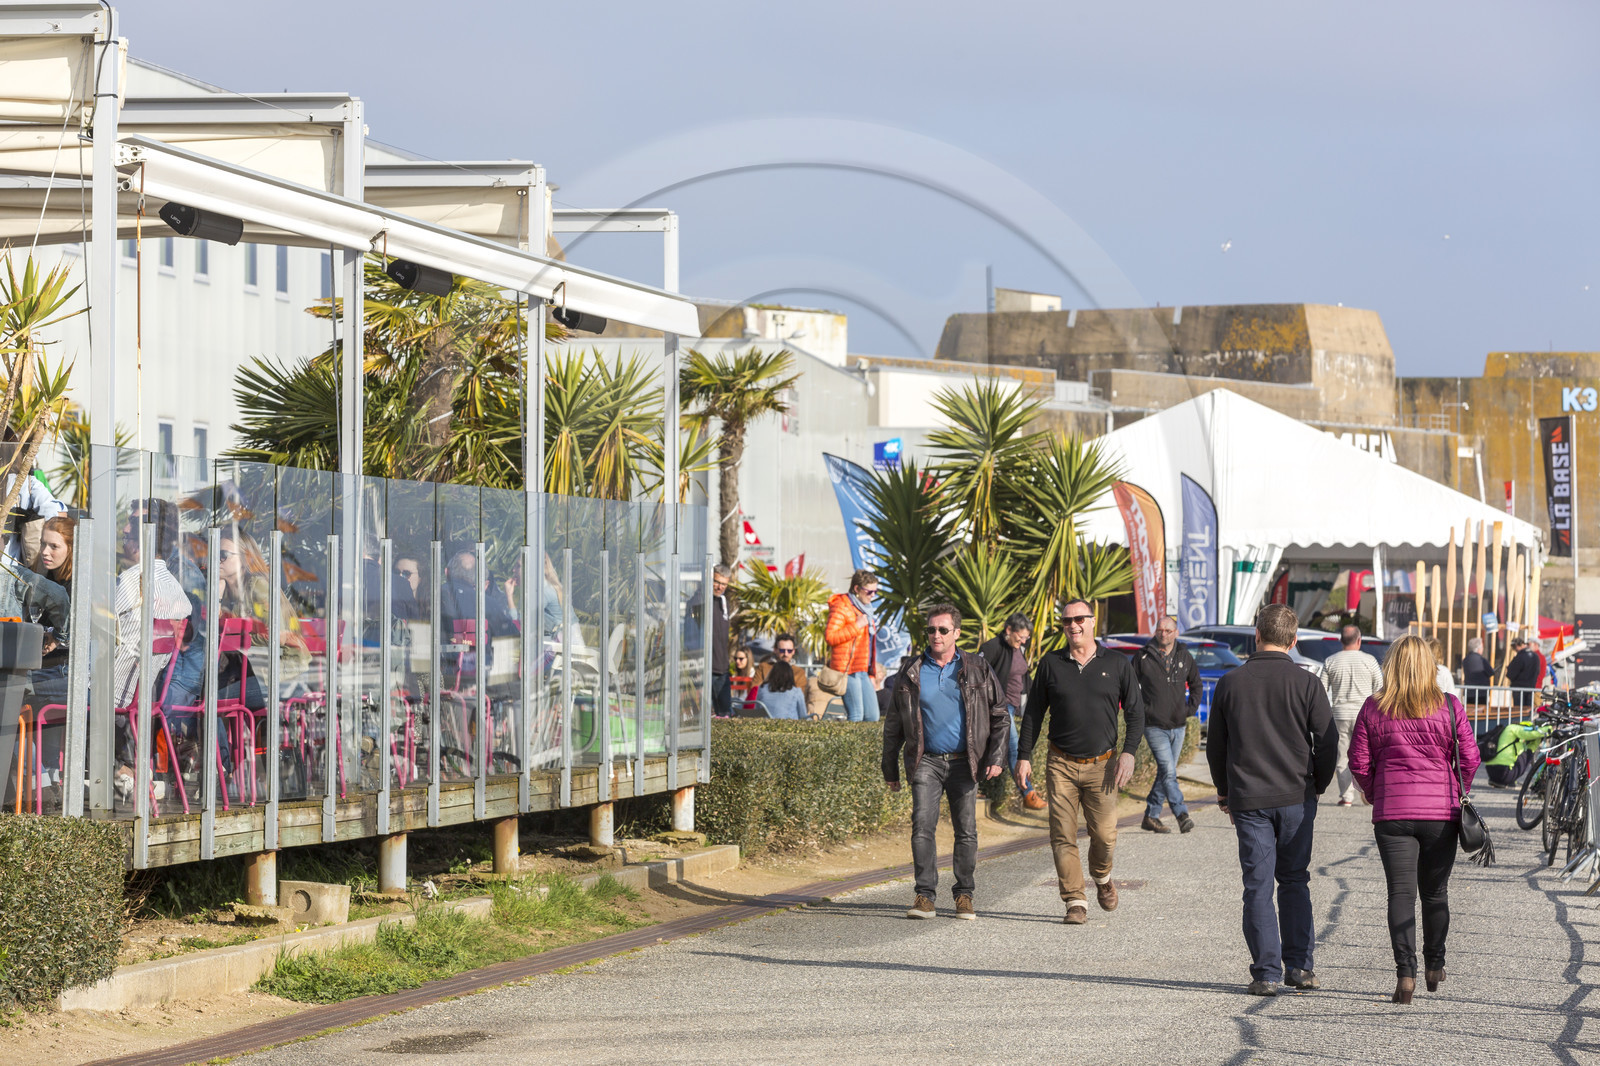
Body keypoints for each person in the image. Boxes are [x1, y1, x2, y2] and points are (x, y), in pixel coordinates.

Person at [1208, 603, 1338, 997]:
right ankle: (1298, 966)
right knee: (1295, 880)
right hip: (1297, 795)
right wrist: (1319, 781)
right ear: (1294, 640)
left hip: (1250, 798)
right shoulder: (1307, 683)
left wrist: (1224, 791)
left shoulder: (1231, 683)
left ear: (1256, 634)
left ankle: (1266, 971)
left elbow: (1217, 746)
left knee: (1258, 885)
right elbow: (1328, 739)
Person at [1348, 634, 1481, 1004]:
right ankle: (1435, 964)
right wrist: (1459, 790)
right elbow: (1470, 758)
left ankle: (1405, 976)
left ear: (1391, 665)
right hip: (1441, 812)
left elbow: (1358, 760)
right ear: (1430, 666)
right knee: (1435, 893)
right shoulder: (1450, 707)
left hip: (1392, 813)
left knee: (1401, 894)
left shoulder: (1374, 708)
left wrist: (1375, 791)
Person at [1016, 599, 1144, 924]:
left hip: (1103, 765)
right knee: (1062, 833)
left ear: (1092, 620)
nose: (1073, 626)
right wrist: (1024, 756)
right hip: (1060, 762)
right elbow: (1032, 714)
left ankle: (1102, 878)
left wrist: (1128, 752)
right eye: (1067, 621)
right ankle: (1075, 900)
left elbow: (1136, 712)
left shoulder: (1116, 663)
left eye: (1079, 619)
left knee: (1104, 835)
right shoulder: (1051, 663)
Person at [882, 603, 1007, 919]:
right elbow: (894, 721)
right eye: (931, 629)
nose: (935, 635)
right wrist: (890, 768)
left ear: (957, 633)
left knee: (966, 830)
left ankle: (964, 895)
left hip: (966, 761)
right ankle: (924, 897)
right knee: (922, 826)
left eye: (942, 629)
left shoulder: (977, 667)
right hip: (927, 761)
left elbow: (1000, 714)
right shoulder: (911, 669)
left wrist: (995, 757)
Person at [1133, 615, 1201, 833]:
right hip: (1154, 725)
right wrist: (1140, 712)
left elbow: (1197, 685)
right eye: (1160, 630)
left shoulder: (1184, 656)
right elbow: (1128, 688)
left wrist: (1188, 710)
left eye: (1168, 630)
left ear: (1176, 633)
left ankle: (1151, 816)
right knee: (1169, 772)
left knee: (1166, 772)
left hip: (1179, 726)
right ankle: (1181, 814)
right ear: (1155, 631)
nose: (1163, 634)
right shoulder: (1142, 657)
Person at [979, 614, 1044, 811]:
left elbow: (1023, 676)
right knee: (1015, 747)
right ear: (1008, 630)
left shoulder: (1019, 647)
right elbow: (977, 676)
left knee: (998, 748)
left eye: (1026, 637)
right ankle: (1028, 793)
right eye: (1020, 637)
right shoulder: (991, 648)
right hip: (999, 706)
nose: (1023, 641)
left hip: (1014, 706)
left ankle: (981, 785)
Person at [1322, 624, 1382, 806]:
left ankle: (1346, 796)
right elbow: (1379, 689)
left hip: (1339, 714)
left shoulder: (1331, 661)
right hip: (1364, 715)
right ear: (1359, 640)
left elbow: (1322, 689)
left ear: (1341, 640)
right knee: (1367, 754)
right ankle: (1366, 791)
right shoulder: (1370, 660)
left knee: (1342, 756)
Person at [825, 569, 880, 722]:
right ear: (857, 589)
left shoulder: (865, 610)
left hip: (862, 669)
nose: (873, 596)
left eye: (875, 591)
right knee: (856, 715)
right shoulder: (841, 606)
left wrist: (872, 673)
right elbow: (830, 637)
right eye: (869, 592)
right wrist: (856, 626)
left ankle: (867, 746)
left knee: (872, 716)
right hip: (847, 670)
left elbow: (869, 646)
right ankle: (852, 746)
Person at [753, 633, 812, 711]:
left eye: (789, 651)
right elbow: (754, 690)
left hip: (788, 711)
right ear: (775, 650)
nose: (786, 654)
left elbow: (800, 697)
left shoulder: (799, 672)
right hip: (766, 709)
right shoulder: (764, 667)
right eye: (782, 650)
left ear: (793, 651)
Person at [709, 564, 734, 719]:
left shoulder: (724, 603)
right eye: (716, 582)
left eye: (724, 584)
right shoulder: (700, 601)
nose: (720, 587)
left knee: (725, 716)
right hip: (705, 669)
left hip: (722, 670)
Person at [1505, 636, 1541, 708]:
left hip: (1519, 689)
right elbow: (1538, 672)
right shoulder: (1535, 656)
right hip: (1531, 687)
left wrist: (1509, 669)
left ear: (1517, 646)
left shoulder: (1520, 657)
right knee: (1528, 709)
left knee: (1519, 711)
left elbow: (1511, 674)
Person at [1460, 637, 1491, 704]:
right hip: (1481, 693)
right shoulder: (1482, 660)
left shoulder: (1465, 660)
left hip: (1469, 692)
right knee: (1481, 712)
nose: (1482, 649)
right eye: (1482, 647)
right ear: (1478, 649)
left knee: (1470, 712)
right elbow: (1491, 672)